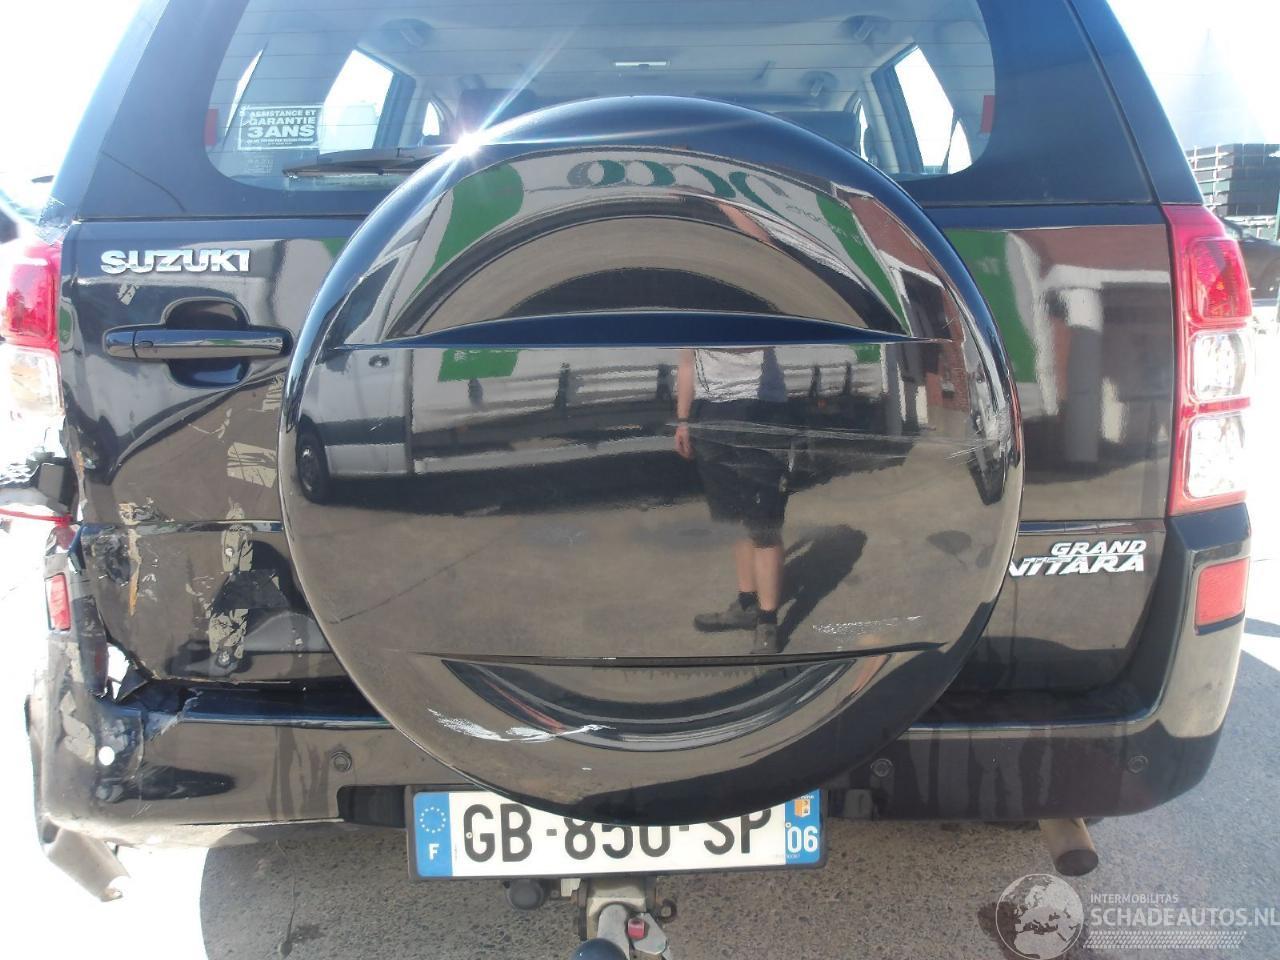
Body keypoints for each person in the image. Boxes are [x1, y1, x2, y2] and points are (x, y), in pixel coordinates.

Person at [674, 346, 790, 654]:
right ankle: (746, 604)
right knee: (732, 520)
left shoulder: (752, 310)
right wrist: (683, 420)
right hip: (709, 416)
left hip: (761, 412)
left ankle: (767, 622)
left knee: (763, 526)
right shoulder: (693, 318)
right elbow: (686, 363)